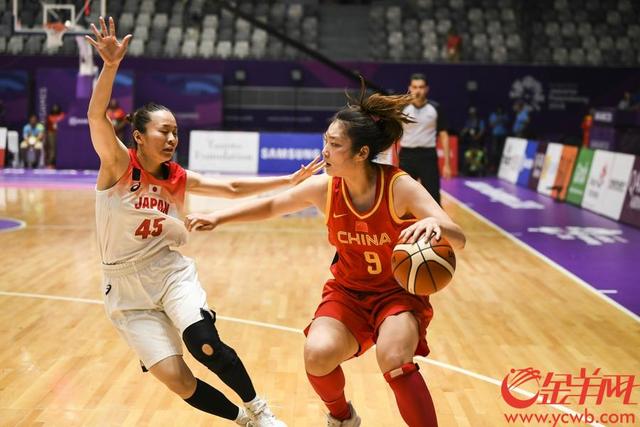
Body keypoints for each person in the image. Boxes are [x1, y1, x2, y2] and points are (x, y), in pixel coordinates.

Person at [185, 79, 466, 427]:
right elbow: (272, 205)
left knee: (393, 359)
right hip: (348, 293)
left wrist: (438, 225)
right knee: (316, 355)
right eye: (325, 141)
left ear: (361, 153)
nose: (325, 151)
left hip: (396, 295)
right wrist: (218, 217)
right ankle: (342, 418)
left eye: (334, 144)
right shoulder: (325, 189)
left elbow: (459, 238)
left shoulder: (399, 187)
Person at [85, 17, 323, 426]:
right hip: (124, 289)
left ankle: (261, 409)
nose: (172, 139)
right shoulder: (118, 164)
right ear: (139, 136)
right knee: (178, 380)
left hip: (168, 272)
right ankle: (243, 420)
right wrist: (110, 66)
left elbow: (230, 187)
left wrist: (287, 180)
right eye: (164, 131)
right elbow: (95, 117)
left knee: (204, 343)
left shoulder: (177, 176)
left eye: (176, 132)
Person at [398, 73, 451, 206]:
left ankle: (435, 220)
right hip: (407, 156)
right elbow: (393, 133)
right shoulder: (402, 108)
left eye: (421, 87)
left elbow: (444, 135)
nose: (418, 90)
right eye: (415, 87)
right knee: (402, 196)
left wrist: (447, 164)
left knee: (433, 197)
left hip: (428, 157)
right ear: (410, 88)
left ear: (426, 89)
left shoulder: (435, 108)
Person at [487, 106, 508, 173]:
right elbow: (491, 125)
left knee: (502, 151)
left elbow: (507, 123)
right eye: (498, 110)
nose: (499, 111)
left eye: (501, 110)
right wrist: (497, 120)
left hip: (503, 135)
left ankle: (502, 167)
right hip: (495, 135)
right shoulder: (493, 115)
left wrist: (502, 120)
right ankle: (493, 166)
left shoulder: (504, 115)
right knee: (494, 151)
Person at [45, 104, 65, 168]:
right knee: (52, 149)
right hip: (51, 134)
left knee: (61, 148)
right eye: (54, 108)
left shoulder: (62, 115)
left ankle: (60, 162)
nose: (55, 109)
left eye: (56, 108)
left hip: (62, 134)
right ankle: (51, 163)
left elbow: (64, 121)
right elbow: (48, 127)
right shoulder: (49, 117)